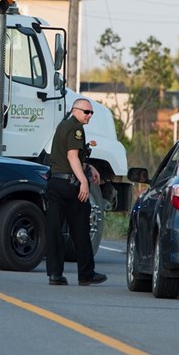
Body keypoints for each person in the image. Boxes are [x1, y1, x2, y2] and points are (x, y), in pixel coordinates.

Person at [45, 98, 107, 286]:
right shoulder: (77, 129)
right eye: (86, 112)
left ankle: (55, 274)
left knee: (54, 230)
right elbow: (72, 156)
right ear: (75, 110)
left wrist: (88, 167)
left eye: (91, 113)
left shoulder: (63, 126)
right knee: (80, 230)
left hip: (55, 183)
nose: (89, 116)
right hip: (70, 187)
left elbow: (67, 157)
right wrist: (83, 182)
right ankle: (86, 274)